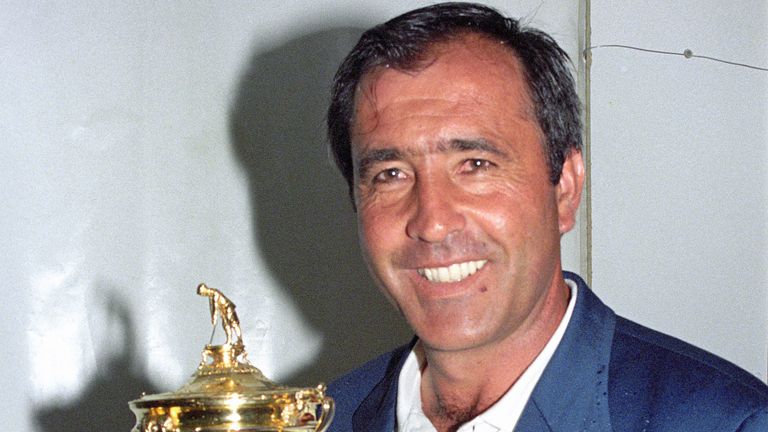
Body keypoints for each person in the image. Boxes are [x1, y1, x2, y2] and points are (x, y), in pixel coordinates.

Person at [324, 3, 768, 431]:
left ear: (565, 189)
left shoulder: (728, 423)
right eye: (391, 174)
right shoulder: (320, 420)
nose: (432, 223)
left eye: (475, 165)